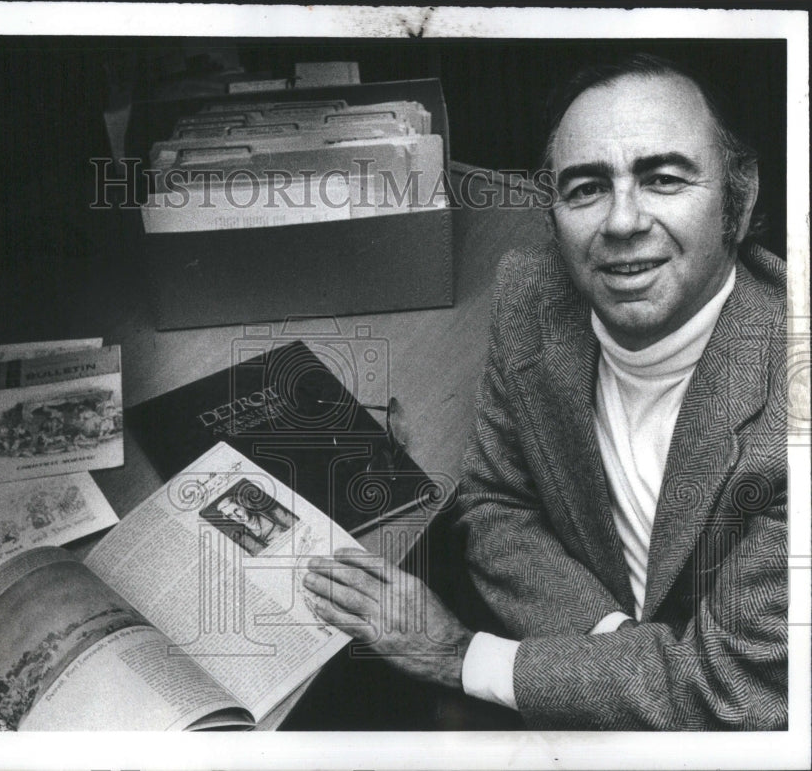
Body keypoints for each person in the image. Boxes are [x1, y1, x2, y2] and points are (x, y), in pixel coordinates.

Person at [303, 54, 787, 730]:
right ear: (553, 211)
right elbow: (497, 502)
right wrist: (616, 660)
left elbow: (725, 690)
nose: (622, 221)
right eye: (586, 188)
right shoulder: (531, 295)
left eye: (664, 178)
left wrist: (460, 658)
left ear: (740, 196)